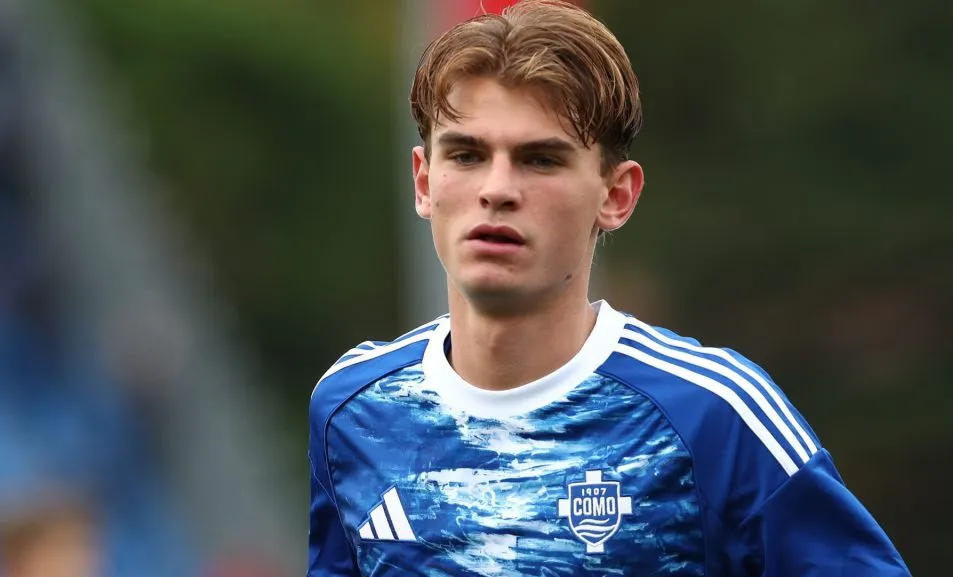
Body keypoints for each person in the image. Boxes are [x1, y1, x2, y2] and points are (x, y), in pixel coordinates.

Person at [308, 1, 912, 575]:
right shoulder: (352, 411)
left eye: (541, 160)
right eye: (466, 156)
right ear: (423, 181)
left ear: (616, 196)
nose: (497, 190)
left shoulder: (714, 414)